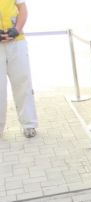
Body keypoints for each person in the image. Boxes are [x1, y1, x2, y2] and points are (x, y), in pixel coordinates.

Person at [0, 0, 37, 138]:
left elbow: (22, 8)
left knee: (22, 83)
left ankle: (29, 124)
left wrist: (17, 29)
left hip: (16, 41)